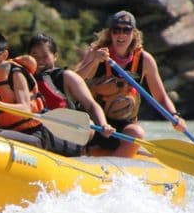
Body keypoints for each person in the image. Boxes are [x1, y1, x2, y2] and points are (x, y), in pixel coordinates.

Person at [75, 10, 187, 157]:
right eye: (116, 30)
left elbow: (160, 96)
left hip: (122, 126)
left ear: (133, 33)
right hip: (95, 123)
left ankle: (116, 167)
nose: (121, 35)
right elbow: (73, 81)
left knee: (137, 132)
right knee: (85, 125)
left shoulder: (145, 60)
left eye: (126, 30)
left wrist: (175, 116)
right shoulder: (96, 53)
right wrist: (94, 61)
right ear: (110, 33)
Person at [27, 33, 115, 144]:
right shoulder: (22, 77)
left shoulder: (67, 76)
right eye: (35, 55)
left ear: (55, 56)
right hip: (34, 130)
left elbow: (91, 105)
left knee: (90, 124)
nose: (39, 60)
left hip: (64, 135)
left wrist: (103, 124)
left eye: (45, 56)